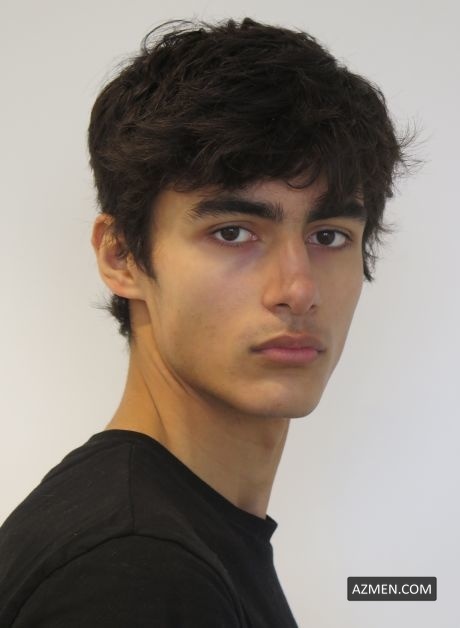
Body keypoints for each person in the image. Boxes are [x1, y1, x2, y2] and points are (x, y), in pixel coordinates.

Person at [0, 17, 416, 627]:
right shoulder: (134, 573)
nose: (298, 290)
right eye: (233, 233)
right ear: (122, 257)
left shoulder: (163, 536)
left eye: (328, 236)